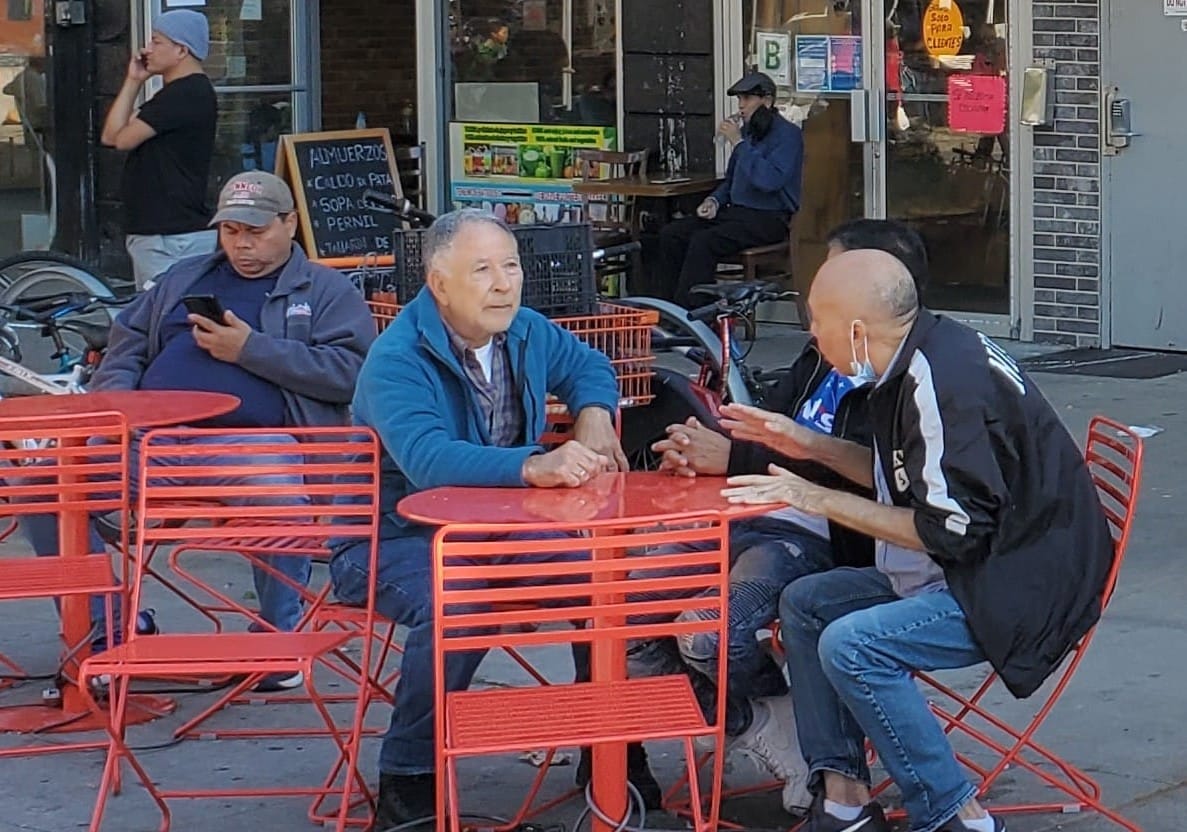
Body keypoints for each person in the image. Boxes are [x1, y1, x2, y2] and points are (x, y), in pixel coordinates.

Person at [720, 248, 1114, 832]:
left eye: (816, 321)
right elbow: (898, 478)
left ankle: (958, 815)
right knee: (805, 605)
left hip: (1015, 589)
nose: (809, 333)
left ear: (855, 329)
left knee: (853, 645)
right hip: (994, 561)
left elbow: (952, 531)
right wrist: (805, 444)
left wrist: (818, 499)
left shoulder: (938, 384)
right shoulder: (917, 355)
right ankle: (844, 798)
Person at [327, 208, 658, 830]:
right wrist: (535, 466)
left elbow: (590, 366)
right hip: (392, 540)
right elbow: (428, 460)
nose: (504, 283)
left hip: (502, 533)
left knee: (602, 582)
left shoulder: (526, 330)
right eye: (482, 270)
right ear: (439, 283)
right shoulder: (396, 357)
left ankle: (610, 746)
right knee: (463, 601)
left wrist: (592, 412)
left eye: (510, 265)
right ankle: (410, 776)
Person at [20, 171, 376, 690]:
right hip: (147, 437)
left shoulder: (323, 289)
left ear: (290, 224)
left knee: (282, 502)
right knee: (44, 489)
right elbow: (127, 344)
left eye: (255, 230)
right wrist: (119, 407)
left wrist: (250, 350)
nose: (242, 244)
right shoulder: (186, 276)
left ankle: (279, 635)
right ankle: (106, 627)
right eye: (231, 231)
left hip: (252, 441)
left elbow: (354, 373)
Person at [637, 220, 928, 814]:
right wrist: (706, 444)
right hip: (752, 511)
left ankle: (792, 727)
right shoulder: (823, 351)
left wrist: (736, 456)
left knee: (706, 631)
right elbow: (775, 425)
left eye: (829, 283)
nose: (810, 296)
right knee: (624, 613)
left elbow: (882, 476)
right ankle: (767, 720)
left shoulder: (908, 379)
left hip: (829, 538)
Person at [657, 72, 803, 307]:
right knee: (672, 234)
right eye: (739, 100)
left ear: (767, 101)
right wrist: (714, 200)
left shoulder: (788, 135)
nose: (741, 106)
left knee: (704, 241)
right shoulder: (748, 134)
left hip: (768, 217)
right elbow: (733, 179)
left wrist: (739, 144)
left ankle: (695, 313)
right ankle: (666, 309)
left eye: (746, 99)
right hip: (736, 213)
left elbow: (769, 181)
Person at [101, 9, 218, 290]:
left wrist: (133, 82)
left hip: (171, 234)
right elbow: (110, 135)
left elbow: (123, 140)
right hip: (165, 231)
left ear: (181, 49)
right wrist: (133, 80)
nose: (146, 50)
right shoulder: (174, 95)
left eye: (156, 41)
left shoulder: (184, 94)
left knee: (162, 319)